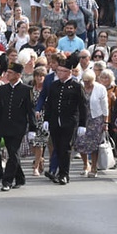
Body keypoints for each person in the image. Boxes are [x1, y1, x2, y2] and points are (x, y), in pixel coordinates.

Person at [42, 54, 87, 185]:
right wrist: (46, 119)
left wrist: (82, 124)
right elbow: (49, 103)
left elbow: (82, 106)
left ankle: (64, 174)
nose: (60, 73)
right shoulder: (54, 85)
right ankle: (56, 172)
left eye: (63, 71)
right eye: (58, 71)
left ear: (69, 72)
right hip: (55, 121)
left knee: (65, 148)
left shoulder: (77, 86)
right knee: (57, 147)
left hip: (69, 122)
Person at [0, 63, 36, 191]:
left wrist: (33, 128)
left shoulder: (26, 90)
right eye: (7, 72)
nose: (7, 75)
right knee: (12, 153)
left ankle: (7, 181)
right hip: (5, 126)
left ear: (17, 75)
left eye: (10, 73)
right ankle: (20, 178)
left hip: (18, 127)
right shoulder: (2, 90)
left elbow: (30, 110)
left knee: (13, 153)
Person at [73, 70, 109, 178]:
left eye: (88, 81)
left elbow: (105, 106)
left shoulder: (100, 88)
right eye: (85, 81)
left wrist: (105, 122)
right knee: (81, 142)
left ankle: (94, 166)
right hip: (82, 118)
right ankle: (85, 164)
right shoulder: (80, 87)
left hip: (95, 118)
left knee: (93, 144)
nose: (86, 83)